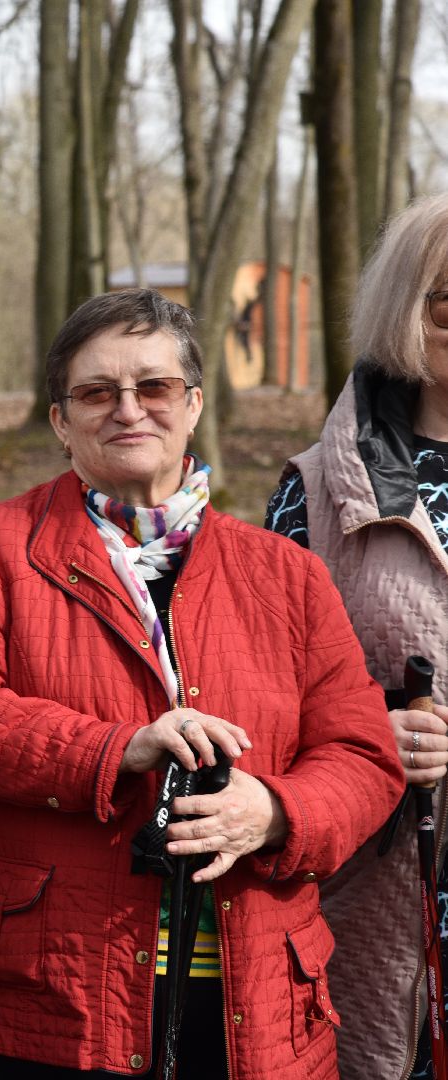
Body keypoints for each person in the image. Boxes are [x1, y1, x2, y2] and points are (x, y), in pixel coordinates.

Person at [0, 288, 402, 1079]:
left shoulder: (288, 574)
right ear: (61, 420)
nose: (128, 409)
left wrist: (273, 810)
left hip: (258, 989)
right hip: (63, 983)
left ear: (193, 405)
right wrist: (117, 749)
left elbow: (364, 755)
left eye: (155, 387)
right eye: (97, 392)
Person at [265, 191, 448, 1079]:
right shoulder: (318, 494)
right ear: (404, 314)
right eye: (446, 301)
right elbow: (254, 697)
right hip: (382, 897)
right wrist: (374, 726)